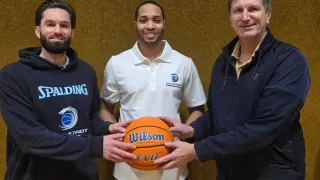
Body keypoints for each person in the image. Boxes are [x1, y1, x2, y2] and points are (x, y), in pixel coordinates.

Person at [154, 0, 310, 179]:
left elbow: (265, 127)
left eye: (253, 9)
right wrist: (192, 131)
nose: (245, 17)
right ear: (230, 19)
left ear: (268, 14)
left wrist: (198, 150)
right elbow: (217, 115)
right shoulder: (223, 63)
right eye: (238, 10)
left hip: (274, 173)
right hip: (228, 172)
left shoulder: (289, 61)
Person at [0, 1, 136, 180]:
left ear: (72, 32)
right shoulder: (13, 75)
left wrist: (108, 128)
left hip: (82, 174)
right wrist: (95, 146)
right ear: (37, 30)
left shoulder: (85, 71)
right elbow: (29, 137)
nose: (57, 30)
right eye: (50, 24)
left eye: (64, 25)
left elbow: (89, 120)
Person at [99, 1, 206, 180]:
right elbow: (104, 108)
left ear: (164, 23)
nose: (150, 26)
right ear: (136, 24)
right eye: (143, 20)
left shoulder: (183, 63)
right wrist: (117, 137)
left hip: (172, 163)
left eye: (156, 20)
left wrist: (184, 136)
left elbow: (197, 109)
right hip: (128, 163)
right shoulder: (117, 63)